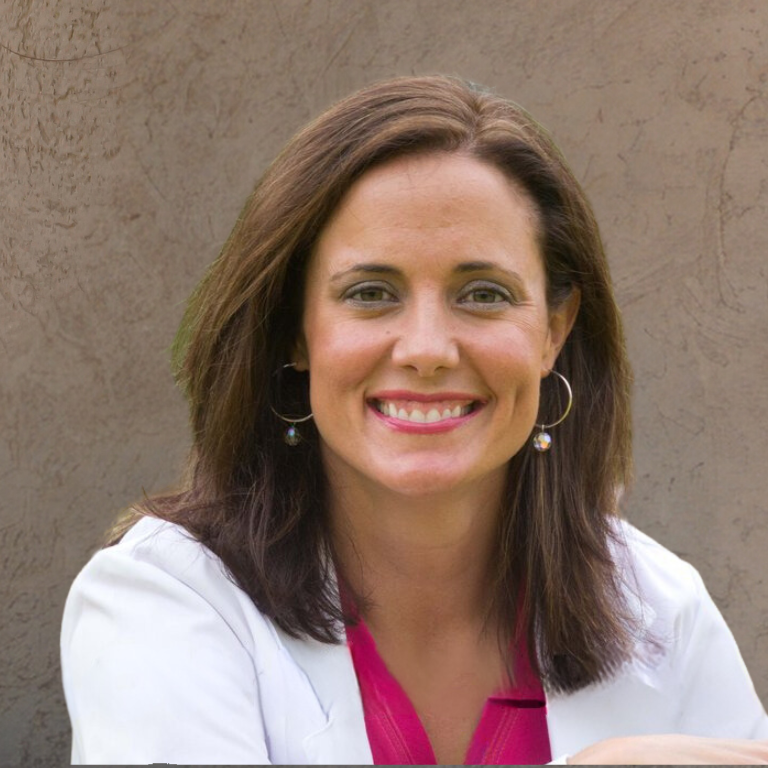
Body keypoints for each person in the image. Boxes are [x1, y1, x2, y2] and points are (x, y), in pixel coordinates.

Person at [60, 75, 768, 765]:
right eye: (370, 293)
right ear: (295, 331)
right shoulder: (164, 599)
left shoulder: (662, 611)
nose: (427, 350)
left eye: (484, 294)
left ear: (553, 329)